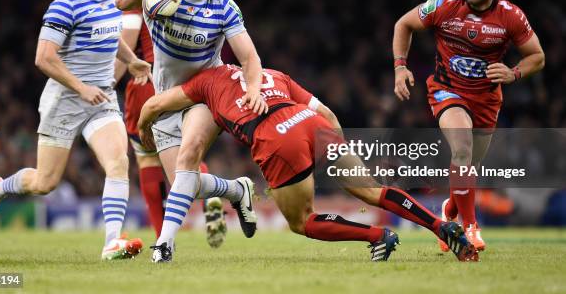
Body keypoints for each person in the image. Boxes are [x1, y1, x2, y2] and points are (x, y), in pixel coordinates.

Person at [138, 64, 478, 263]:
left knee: (302, 221)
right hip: (311, 123)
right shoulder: (273, 74)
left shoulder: (204, 81)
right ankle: (441, 227)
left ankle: (378, 236)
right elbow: (326, 113)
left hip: (276, 139)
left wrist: (143, 132)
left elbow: (155, 105)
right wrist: (338, 152)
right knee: (372, 191)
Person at [0, 0, 152, 261]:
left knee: (118, 162)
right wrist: (81, 87)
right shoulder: (64, 5)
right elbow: (43, 58)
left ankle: (112, 242)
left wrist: (130, 59)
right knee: (45, 183)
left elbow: (110, 34)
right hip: (65, 99)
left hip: (101, 97)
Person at [116, 0, 268, 261]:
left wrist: (253, 89)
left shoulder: (224, 6)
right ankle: (236, 190)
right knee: (187, 185)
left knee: (187, 160)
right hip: (167, 98)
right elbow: (120, 2)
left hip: (205, 92)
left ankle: (164, 246)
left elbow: (250, 59)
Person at [392, 0, 545, 252]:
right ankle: (469, 227)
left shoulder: (511, 16)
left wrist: (513, 74)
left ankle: (449, 212)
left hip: (486, 100)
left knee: (468, 167)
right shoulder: (443, 5)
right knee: (461, 147)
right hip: (447, 91)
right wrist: (400, 66)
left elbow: (537, 57)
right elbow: (403, 24)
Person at [113, 0, 226, 247]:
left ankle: (164, 238)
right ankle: (210, 196)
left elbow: (129, 36)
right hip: (192, 82)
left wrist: (109, 82)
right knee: (187, 152)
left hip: (150, 80)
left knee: (148, 158)